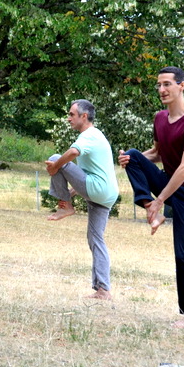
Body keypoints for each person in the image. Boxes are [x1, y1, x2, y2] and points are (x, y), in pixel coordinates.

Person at [118, 66, 184, 329]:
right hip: (168, 182)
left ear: (182, 86)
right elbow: (157, 154)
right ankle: (148, 205)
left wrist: (161, 200)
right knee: (134, 154)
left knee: (183, 255)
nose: (161, 90)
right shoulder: (159, 118)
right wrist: (131, 159)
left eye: (167, 84)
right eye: (159, 85)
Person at [45, 99, 119, 300]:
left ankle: (66, 207)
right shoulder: (97, 136)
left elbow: (72, 153)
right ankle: (103, 290)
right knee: (96, 238)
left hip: (97, 189)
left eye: (71, 114)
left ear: (83, 116)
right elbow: (90, 172)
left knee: (54, 158)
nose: (68, 118)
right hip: (106, 194)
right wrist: (71, 192)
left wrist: (55, 167)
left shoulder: (89, 135)